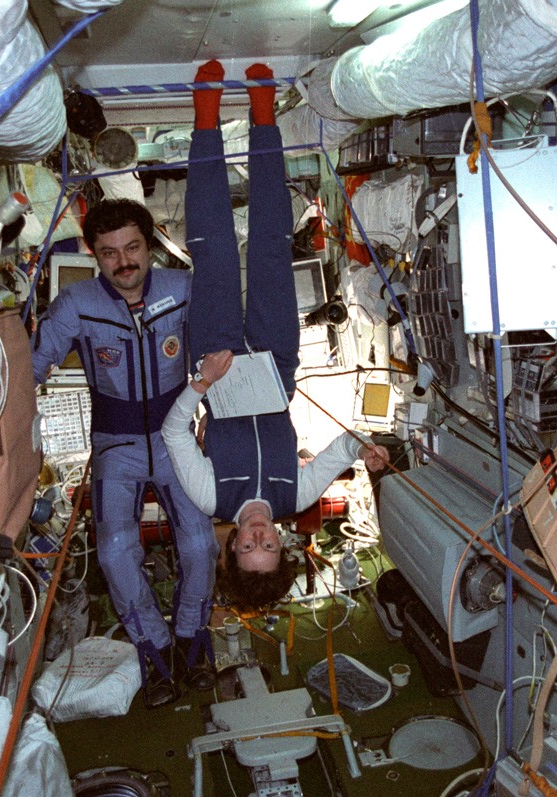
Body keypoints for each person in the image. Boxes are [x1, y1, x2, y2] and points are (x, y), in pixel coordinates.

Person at [162, 61, 389, 610]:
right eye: (268, 547)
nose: (259, 536)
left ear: (232, 546)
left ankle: (206, 116)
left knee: (213, 247)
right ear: (283, 546)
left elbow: (173, 434)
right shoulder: (297, 495)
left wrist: (201, 382)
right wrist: (365, 448)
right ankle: (262, 112)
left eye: (248, 547)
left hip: (216, 367)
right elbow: (342, 449)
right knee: (271, 244)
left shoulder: (212, 499)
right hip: (275, 360)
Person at [32, 198, 218, 708]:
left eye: (132, 247)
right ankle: (153, 647)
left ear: (149, 245)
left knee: (200, 544)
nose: (124, 262)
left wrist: (220, 409)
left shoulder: (183, 289)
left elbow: (219, 349)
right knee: (114, 551)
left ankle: (192, 637)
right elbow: (35, 364)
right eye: (109, 253)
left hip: (175, 437)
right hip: (116, 445)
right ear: (94, 254)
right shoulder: (76, 303)